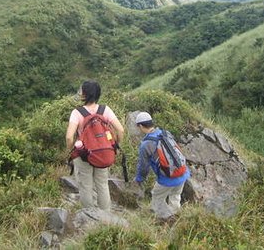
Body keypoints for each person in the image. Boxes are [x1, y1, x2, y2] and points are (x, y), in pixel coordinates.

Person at [65, 80, 124, 211]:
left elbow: (69, 137)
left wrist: (71, 150)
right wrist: (115, 146)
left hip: (83, 154)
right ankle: (105, 216)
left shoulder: (77, 112)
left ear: (85, 94)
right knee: (102, 185)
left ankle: (89, 216)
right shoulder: (105, 110)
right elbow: (121, 130)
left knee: (86, 186)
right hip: (103, 153)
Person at [134, 111, 190, 220]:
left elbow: (143, 167)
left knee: (157, 197)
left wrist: (139, 179)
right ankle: (177, 218)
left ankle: (162, 221)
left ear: (141, 125)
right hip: (182, 172)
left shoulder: (145, 145)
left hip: (167, 179)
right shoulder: (165, 133)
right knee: (175, 196)